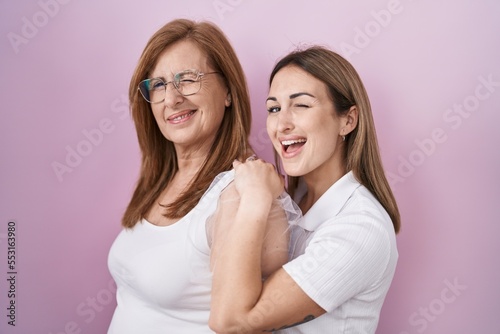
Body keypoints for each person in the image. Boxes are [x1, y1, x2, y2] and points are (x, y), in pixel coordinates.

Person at [107, 19, 291, 334]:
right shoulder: (159, 181)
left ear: (229, 93)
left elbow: (246, 324)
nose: (171, 98)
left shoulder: (240, 194)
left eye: (188, 79)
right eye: (159, 84)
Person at [209, 46, 401, 334]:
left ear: (348, 120)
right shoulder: (293, 201)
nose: (281, 124)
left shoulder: (360, 228)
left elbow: (232, 322)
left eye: (301, 105)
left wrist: (256, 200)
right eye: (274, 108)